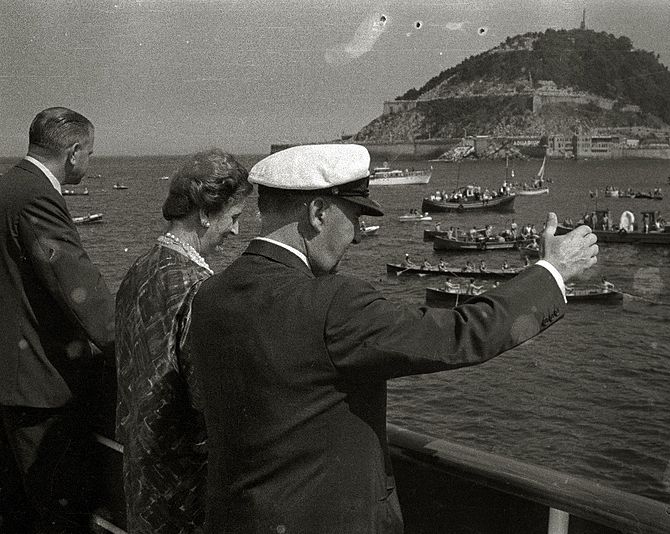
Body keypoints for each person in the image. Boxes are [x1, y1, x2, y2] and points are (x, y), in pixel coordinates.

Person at [189, 144, 598, 534]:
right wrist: (552, 271)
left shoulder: (210, 295)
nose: (359, 235)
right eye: (355, 217)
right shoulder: (333, 303)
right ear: (317, 213)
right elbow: (458, 335)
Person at [114, 149, 252, 534]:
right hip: (184, 483)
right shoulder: (197, 288)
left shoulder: (138, 270)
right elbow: (205, 396)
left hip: (142, 470)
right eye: (234, 217)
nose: (237, 231)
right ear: (206, 213)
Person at [0, 107, 115, 533]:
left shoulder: (7, 187)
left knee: (17, 513)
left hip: (11, 384)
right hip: (41, 391)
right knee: (60, 516)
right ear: (73, 152)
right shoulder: (37, 197)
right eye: (90, 153)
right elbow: (77, 285)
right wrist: (127, 345)